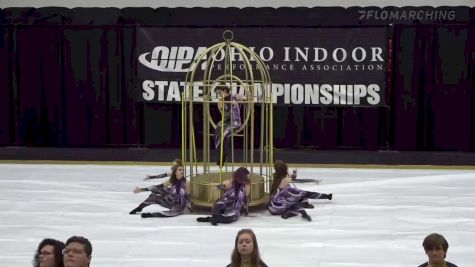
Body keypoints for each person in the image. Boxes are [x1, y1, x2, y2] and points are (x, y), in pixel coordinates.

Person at [268, 160, 332, 221]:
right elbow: (300, 180)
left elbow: (292, 176)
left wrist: (293, 173)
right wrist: (313, 180)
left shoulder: (276, 175)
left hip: (276, 203)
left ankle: (298, 208)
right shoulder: (285, 179)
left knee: (299, 195)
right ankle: (326, 197)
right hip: (281, 202)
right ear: (284, 169)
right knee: (304, 194)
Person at [214, 86, 245, 165]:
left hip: (235, 122)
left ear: (225, 90)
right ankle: (220, 155)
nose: (219, 95)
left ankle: (223, 156)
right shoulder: (221, 101)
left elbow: (244, 98)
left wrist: (240, 100)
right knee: (218, 130)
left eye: (220, 93)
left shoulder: (234, 96)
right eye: (218, 94)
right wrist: (220, 107)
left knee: (225, 133)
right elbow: (224, 115)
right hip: (227, 121)